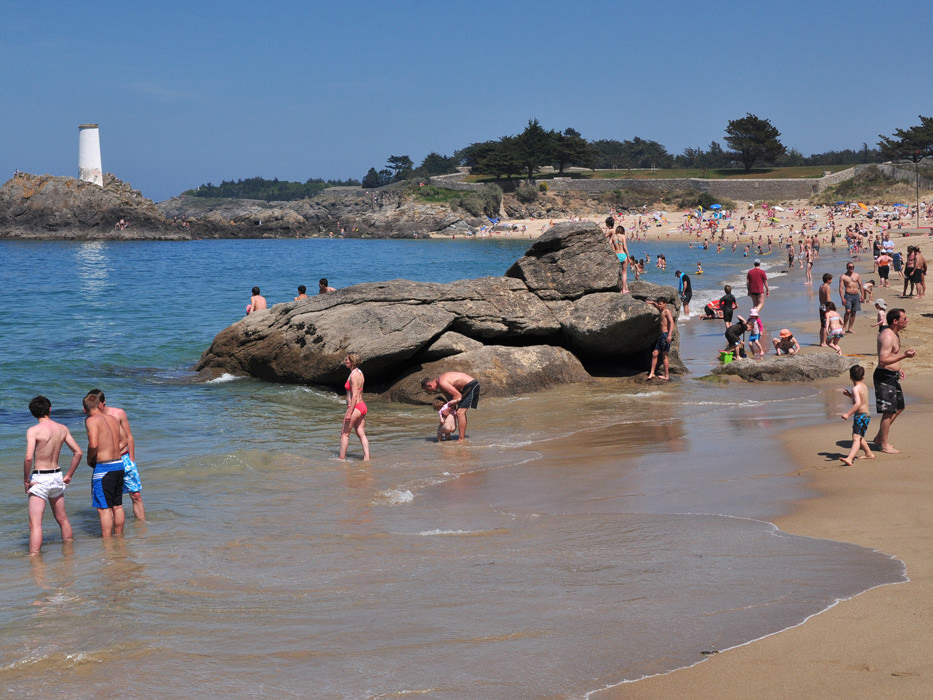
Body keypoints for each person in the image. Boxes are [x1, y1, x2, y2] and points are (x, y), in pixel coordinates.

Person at [23, 396, 83, 555]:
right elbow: (78, 452)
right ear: (50, 409)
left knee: (35, 524)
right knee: (62, 519)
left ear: (33, 413)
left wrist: (26, 480)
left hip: (40, 478)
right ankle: (69, 552)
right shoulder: (62, 428)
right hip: (57, 475)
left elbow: (29, 457)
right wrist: (69, 475)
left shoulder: (33, 431)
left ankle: (34, 557)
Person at [86, 389, 144, 520]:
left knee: (135, 495)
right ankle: (113, 531)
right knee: (112, 500)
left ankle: (141, 527)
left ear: (102, 403)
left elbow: (128, 437)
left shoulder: (118, 413)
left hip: (123, 457)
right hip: (107, 461)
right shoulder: (92, 418)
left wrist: (132, 459)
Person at [872, 308, 915, 454]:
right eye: (904, 318)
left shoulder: (894, 334)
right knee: (888, 412)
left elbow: (891, 356)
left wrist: (898, 368)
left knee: (899, 407)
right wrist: (903, 356)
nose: (907, 320)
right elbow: (883, 360)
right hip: (884, 376)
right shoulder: (887, 336)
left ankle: (879, 437)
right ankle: (884, 444)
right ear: (895, 321)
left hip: (892, 375)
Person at [83, 392, 126, 538]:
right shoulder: (113, 419)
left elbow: (93, 443)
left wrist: (90, 459)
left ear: (84, 410)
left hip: (104, 467)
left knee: (104, 509)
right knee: (118, 505)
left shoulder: (91, 420)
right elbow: (124, 440)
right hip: (119, 465)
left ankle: (107, 542)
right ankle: (119, 538)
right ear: (99, 405)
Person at [420, 372, 480, 443]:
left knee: (460, 413)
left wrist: (449, 409)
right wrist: (448, 410)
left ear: (430, 385)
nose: (429, 392)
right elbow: (450, 399)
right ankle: (460, 437)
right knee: (458, 412)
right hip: (465, 388)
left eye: (427, 390)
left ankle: (461, 439)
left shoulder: (442, 382)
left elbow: (457, 396)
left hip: (471, 385)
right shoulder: (440, 385)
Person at [840, 365, 874, 467]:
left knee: (855, 437)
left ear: (850, 377)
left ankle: (850, 458)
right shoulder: (863, 386)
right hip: (865, 415)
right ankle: (869, 453)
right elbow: (860, 399)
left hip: (861, 415)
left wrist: (848, 413)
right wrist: (849, 395)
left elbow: (858, 403)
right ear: (863, 377)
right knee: (859, 436)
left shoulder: (855, 388)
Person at [339, 352, 370, 460]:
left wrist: (349, 413)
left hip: (355, 407)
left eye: (347, 359)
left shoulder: (353, 376)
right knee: (360, 432)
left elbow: (355, 395)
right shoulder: (359, 373)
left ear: (352, 361)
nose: (345, 361)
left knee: (344, 435)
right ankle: (367, 457)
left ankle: (341, 459)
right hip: (362, 406)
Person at [646, 297, 675, 380]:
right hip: (661, 336)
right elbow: (658, 307)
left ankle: (666, 375)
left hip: (665, 335)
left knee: (664, 356)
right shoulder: (661, 310)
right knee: (654, 353)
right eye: (658, 304)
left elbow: (672, 323)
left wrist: (669, 335)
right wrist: (652, 302)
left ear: (665, 304)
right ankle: (652, 373)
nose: (659, 305)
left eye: (661, 304)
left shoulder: (667, 311)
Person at [838, 262, 863, 333]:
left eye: (853, 267)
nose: (852, 268)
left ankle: (850, 328)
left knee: (854, 312)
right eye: (850, 267)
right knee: (848, 311)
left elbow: (860, 285)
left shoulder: (857, 275)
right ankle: (844, 327)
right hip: (848, 295)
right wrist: (842, 298)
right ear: (847, 268)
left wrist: (862, 295)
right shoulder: (843, 276)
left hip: (856, 295)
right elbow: (841, 288)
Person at [611, 226, 630, 293]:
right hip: (623, 255)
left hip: (617, 255)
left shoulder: (613, 237)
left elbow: (613, 249)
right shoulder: (623, 236)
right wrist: (628, 256)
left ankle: (617, 288)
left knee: (618, 273)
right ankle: (623, 289)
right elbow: (625, 247)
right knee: (624, 273)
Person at [818, 273, 833, 346]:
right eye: (831, 279)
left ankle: (822, 341)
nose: (831, 281)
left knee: (822, 325)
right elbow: (828, 298)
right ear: (828, 279)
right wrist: (830, 308)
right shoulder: (827, 287)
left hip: (821, 306)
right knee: (825, 325)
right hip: (826, 307)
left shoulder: (821, 286)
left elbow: (820, 298)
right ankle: (823, 342)